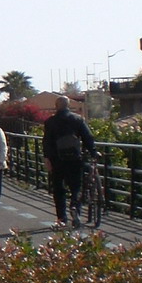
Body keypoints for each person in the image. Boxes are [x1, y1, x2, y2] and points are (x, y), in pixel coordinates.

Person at [42, 97, 95, 227]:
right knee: (76, 186)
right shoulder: (77, 119)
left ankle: (61, 218)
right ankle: (75, 208)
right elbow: (88, 137)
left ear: (56, 106)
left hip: (57, 160)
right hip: (74, 158)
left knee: (58, 189)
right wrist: (93, 152)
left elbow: (47, 142)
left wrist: (47, 158)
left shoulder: (50, 122)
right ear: (68, 105)